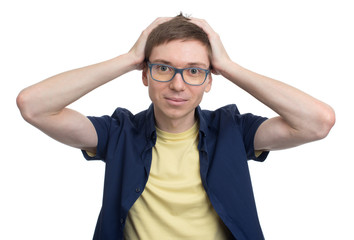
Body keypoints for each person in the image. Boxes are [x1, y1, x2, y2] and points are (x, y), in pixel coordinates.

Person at [17, 14, 335, 240]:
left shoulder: (233, 131)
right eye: (163, 68)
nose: (178, 85)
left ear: (209, 80)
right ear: (145, 75)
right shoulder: (119, 133)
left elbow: (317, 122)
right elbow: (33, 106)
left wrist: (229, 66)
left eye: (194, 71)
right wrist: (129, 58)